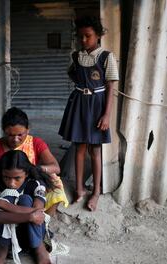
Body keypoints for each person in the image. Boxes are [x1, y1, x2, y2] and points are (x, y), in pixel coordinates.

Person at [58, 16, 119, 211]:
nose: (83, 40)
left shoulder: (106, 57)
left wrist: (106, 115)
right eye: (80, 37)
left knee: (95, 150)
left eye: (88, 36)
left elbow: (110, 86)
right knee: (79, 147)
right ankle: (79, 189)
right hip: (79, 104)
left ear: (98, 35)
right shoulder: (77, 56)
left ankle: (96, 192)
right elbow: (72, 73)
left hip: (97, 106)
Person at [0, 107, 69, 216]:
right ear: (4, 131)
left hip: (31, 186)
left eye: (20, 135)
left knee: (55, 183)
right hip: (3, 187)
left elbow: (56, 168)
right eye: (10, 135)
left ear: (28, 129)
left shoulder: (36, 143)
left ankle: (44, 220)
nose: (15, 139)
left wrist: (33, 169)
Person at [0, 150, 52, 264]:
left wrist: (1, 204)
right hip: (5, 235)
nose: (11, 183)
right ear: (1, 173)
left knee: (25, 199)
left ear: (26, 174)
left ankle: (39, 247)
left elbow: (38, 210)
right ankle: (3, 248)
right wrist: (30, 216)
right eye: (6, 177)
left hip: (32, 233)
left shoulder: (35, 183)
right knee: (9, 195)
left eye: (17, 178)